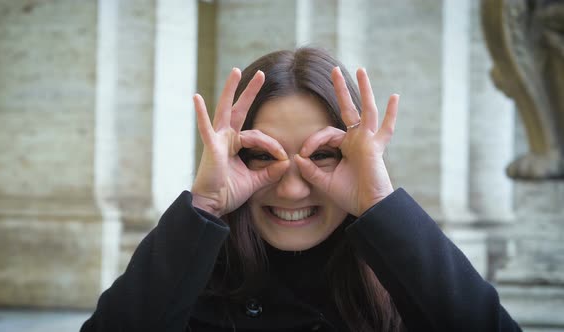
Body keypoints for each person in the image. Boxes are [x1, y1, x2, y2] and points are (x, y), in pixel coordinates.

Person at [80, 48, 522, 331]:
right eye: (262, 155)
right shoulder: (184, 284)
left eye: (323, 154)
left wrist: (381, 206)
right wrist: (205, 206)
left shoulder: (406, 287)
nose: (291, 190)